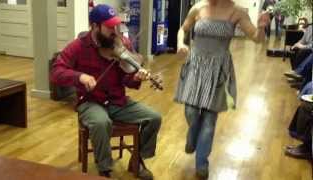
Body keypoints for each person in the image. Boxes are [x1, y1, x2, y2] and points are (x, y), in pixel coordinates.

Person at [50, 4, 161, 180]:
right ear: (94, 26)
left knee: (154, 117)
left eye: (116, 26)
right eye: (110, 27)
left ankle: (136, 160)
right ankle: (105, 169)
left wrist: (136, 78)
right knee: (101, 122)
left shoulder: (121, 44)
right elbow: (56, 72)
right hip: (90, 101)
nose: (115, 31)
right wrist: (80, 77)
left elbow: (126, 79)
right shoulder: (78, 46)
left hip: (117, 101)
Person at [174, 0, 270, 178]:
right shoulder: (199, 7)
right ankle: (192, 134)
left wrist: (262, 27)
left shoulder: (237, 11)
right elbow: (183, 29)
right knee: (191, 112)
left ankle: (201, 163)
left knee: (209, 121)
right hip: (195, 65)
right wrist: (181, 43)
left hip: (219, 69)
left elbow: (256, 38)